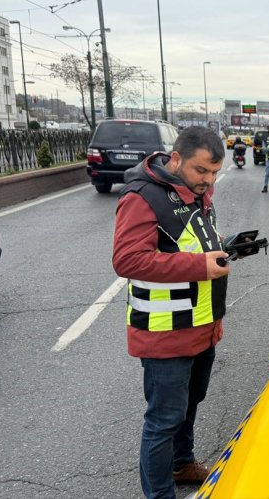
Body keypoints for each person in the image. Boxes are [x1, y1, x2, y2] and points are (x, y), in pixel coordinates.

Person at [112, 126, 230, 499]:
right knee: (163, 421)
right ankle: (159, 494)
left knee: (189, 406)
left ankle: (181, 464)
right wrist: (200, 266)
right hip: (165, 335)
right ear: (176, 159)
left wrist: (226, 249)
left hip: (202, 326)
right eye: (201, 171)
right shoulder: (142, 196)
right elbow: (127, 260)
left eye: (214, 173)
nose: (208, 181)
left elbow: (190, 243)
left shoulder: (198, 192)